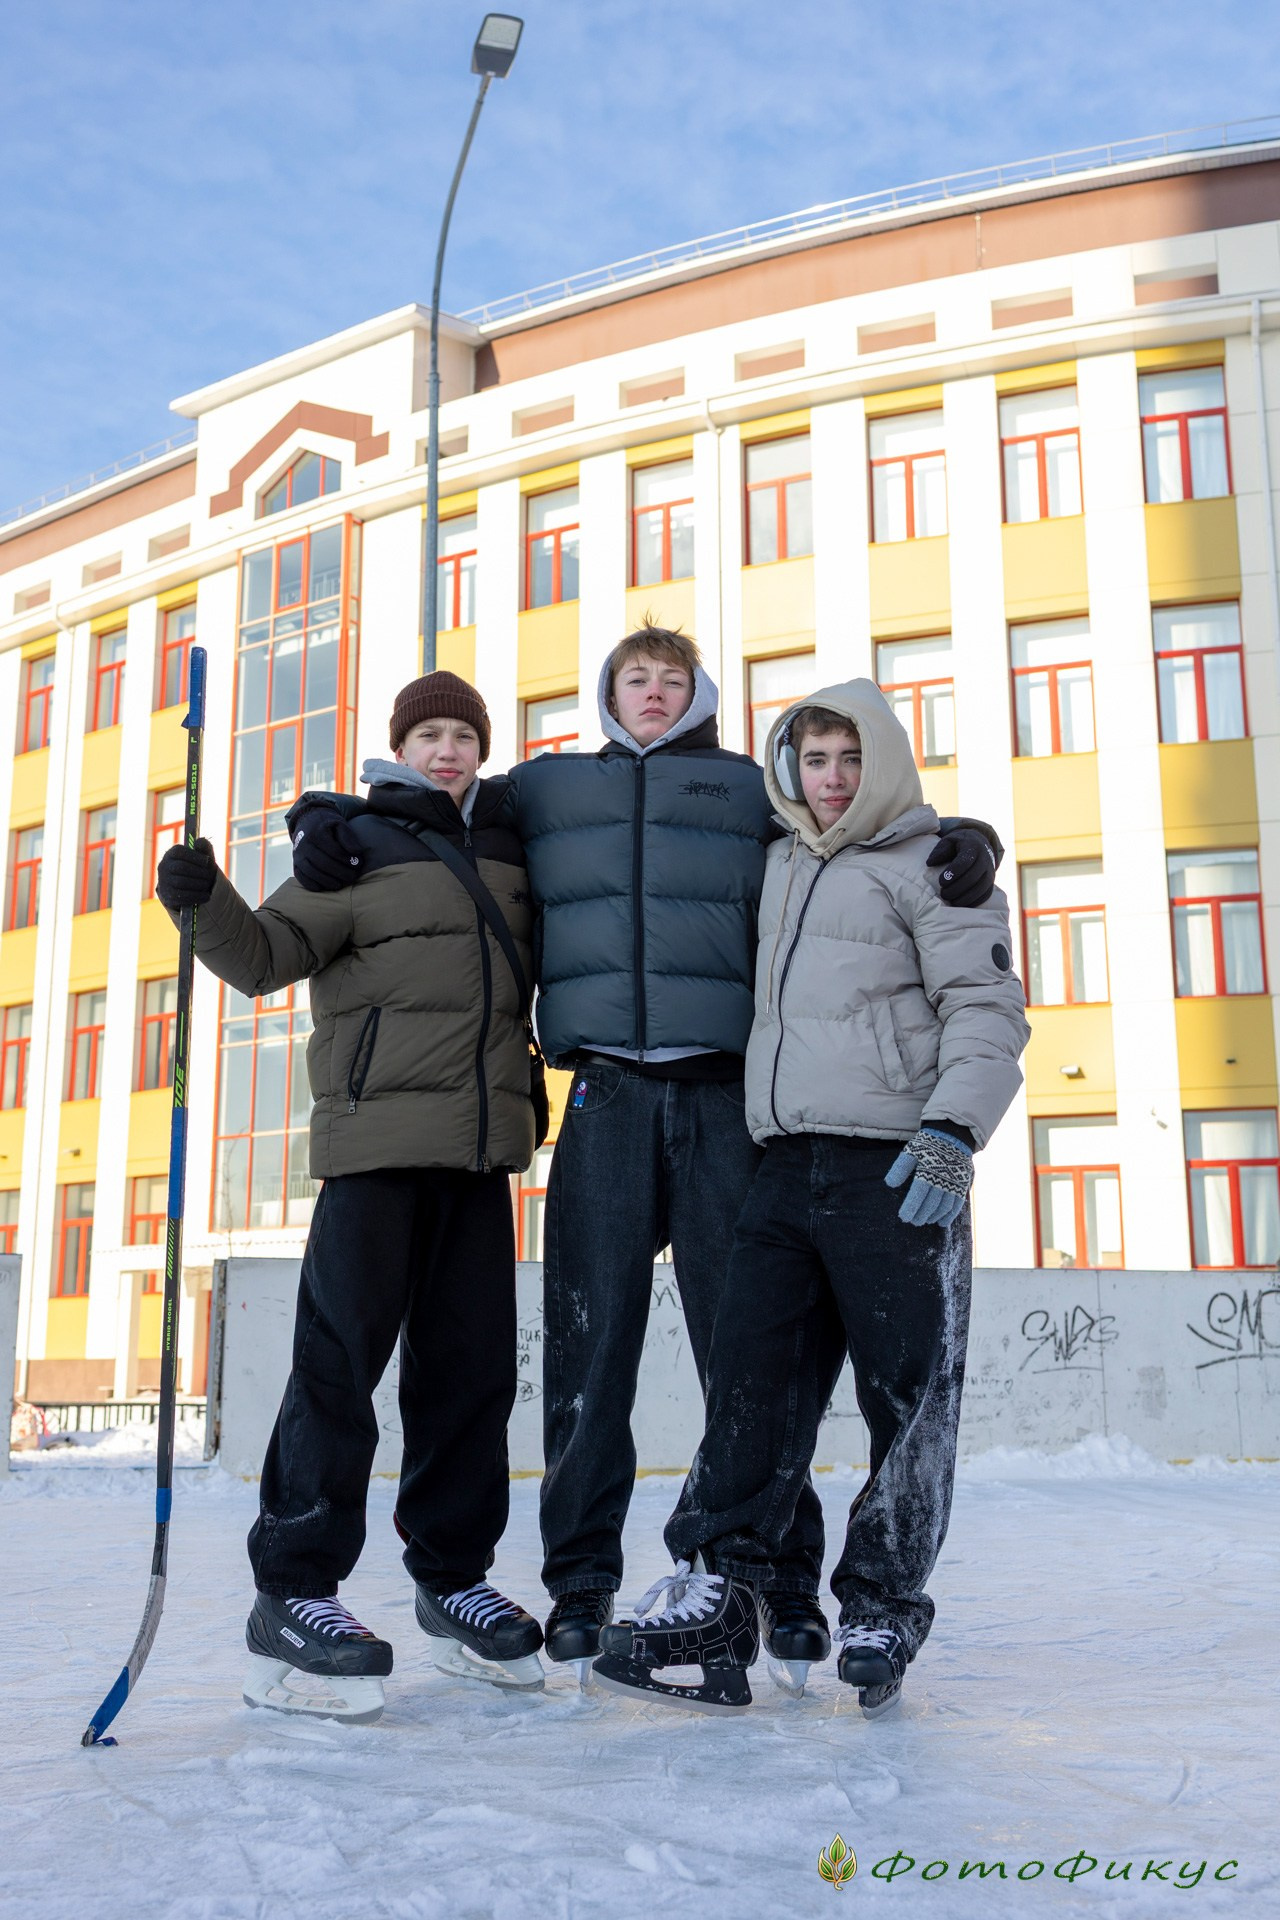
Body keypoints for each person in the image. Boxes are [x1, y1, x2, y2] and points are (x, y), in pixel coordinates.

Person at [289, 627, 1003, 1685]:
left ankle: (780, 1583)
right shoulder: (547, 789)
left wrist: (966, 835)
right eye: (637, 678)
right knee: (589, 1356)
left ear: (698, 692)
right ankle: (581, 1583)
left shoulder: (747, 786)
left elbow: (854, 824)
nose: (655, 693)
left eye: (673, 679)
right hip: (605, 1096)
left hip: (724, 1102)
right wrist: (327, 814)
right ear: (608, 691)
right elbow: (437, 800)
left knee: (752, 1363)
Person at [593, 679, 1029, 1718]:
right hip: (782, 1166)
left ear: (882, 763)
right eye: (813, 760)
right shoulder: (780, 859)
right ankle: (721, 1595)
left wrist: (952, 1131)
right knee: (752, 1391)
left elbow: (986, 1005)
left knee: (907, 1397)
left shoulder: (935, 865)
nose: (830, 779)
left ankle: (881, 1605)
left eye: (849, 759)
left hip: (896, 1166)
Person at [156, 670, 546, 1723]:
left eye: (463, 734)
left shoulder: (511, 850)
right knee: (337, 1373)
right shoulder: (352, 846)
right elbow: (263, 959)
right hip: (374, 1152)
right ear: (399, 748)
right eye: (429, 735)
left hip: (480, 1159)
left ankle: (453, 1580)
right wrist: (202, 899)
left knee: (471, 1381)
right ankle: (293, 1592)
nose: (447, 751)